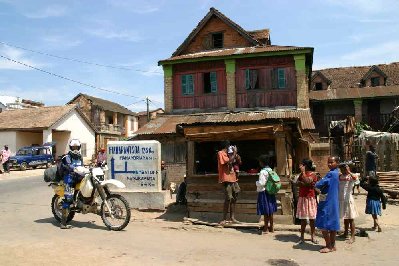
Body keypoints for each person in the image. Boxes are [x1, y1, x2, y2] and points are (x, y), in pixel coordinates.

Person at [315, 156, 340, 253]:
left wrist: (318, 181)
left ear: (337, 163)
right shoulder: (337, 173)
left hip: (327, 202)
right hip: (333, 201)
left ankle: (328, 246)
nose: (329, 164)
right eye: (328, 162)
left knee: (323, 225)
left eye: (331, 162)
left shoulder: (330, 174)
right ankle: (333, 245)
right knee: (332, 225)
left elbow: (319, 184)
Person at [60, 139, 84, 229]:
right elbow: (69, 165)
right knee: (68, 199)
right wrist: (72, 168)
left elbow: (82, 166)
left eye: (76, 147)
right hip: (69, 179)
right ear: (70, 147)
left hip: (78, 178)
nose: (75, 149)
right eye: (73, 147)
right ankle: (63, 223)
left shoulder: (79, 156)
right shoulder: (67, 156)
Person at [296, 159, 318, 244]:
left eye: (301, 165)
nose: (300, 166)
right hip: (303, 198)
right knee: (303, 219)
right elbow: (297, 182)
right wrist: (303, 182)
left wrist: (303, 174)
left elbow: (307, 181)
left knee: (312, 219)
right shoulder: (301, 174)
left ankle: (313, 236)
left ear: (305, 166)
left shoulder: (313, 174)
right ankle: (302, 237)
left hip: (310, 198)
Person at [217, 140, 240, 225]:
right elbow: (228, 162)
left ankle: (232, 218)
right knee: (228, 198)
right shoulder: (221, 153)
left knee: (234, 197)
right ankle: (223, 219)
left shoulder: (229, 154)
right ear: (227, 146)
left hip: (233, 178)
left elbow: (238, 161)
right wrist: (234, 153)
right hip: (226, 179)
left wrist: (235, 155)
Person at [338, 163, 359, 244]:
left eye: (344, 168)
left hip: (348, 200)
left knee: (351, 219)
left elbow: (356, 180)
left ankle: (353, 236)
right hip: (341, 200)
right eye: (341, 169)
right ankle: (345, 233)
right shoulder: (340, 176)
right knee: (345, 218)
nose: (343, 170)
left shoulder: (351, 176)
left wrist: (349, 171)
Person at [256, 155, 277, 234]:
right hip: (270, 192)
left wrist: (256, 183)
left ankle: (265, 228)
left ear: (262, 163)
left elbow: (261, 183)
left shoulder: (262, 172)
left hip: (264, 192)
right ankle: (271, 227)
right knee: (270, 210)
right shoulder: (271, 170)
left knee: (265, 211)